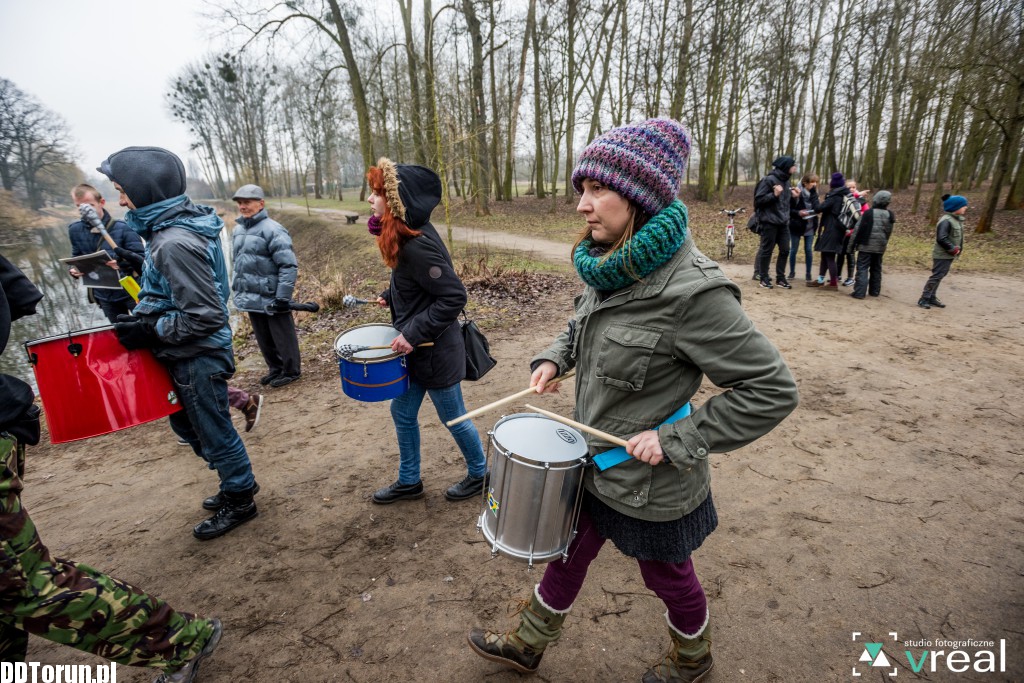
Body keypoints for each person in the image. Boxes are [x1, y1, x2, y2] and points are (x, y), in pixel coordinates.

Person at [466, 119, 799, 682]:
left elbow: (772, 390)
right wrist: (553, 358)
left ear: (639, 200)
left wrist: (675, 440)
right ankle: (528, 643)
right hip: (591, 461)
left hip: (651, 481)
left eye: (598, 191)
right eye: (582, 190)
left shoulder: (694, 292)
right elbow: (581, 322)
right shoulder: (611, 261)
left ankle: (694, 658)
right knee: (567, 551)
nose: (582, 206)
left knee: (668, 576)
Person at [0, 253, 222, 682]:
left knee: (22, 585)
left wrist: (145, 315)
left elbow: (203, 311)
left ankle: (178, 639)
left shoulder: (171, 242)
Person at [98, 146, 259, 540]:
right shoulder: (168, 232)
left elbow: (206, 315)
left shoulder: (172, 242)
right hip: (185, 351)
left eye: (123, 190)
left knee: (211, 429)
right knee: (188, 423)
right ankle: (235, 482)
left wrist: (150, 331)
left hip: (197, 354)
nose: (120, 200)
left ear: (145, 190)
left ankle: (241, 497)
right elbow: (178, 290)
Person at [365, 157, 488, 504]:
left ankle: (480, 473)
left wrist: (410, 333)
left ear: (395, 201)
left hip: (435, 351)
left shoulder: (416, 245)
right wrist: (390, 295)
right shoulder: (405, 235)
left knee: (454, 418)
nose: (370, 200)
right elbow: (419, 288)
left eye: (376, 194)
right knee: (402, 413)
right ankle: (409, 480)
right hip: (417, 350)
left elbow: (453, 296)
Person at [230, 184, 302, 388]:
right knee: (263, 337)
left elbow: (288, 265)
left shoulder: (273, 229)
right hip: (251, 295)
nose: (243, 206)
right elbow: (238, 264)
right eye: (240, 203)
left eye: (247, 202)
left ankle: (291, 370)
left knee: (282, 336)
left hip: (272, 295)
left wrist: (282, 296)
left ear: (261, 204)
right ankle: (275, 369)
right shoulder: (237, 230)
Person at [66, 184, 144, 323]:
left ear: (101, 202)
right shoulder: (74, 230)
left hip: (131, 291)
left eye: (90, 205)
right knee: (122, 333)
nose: (85, 210)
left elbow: (141, 259)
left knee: (146, 326)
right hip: (103, 295)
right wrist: (74, 270)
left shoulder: (124, 227)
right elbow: (76, 256)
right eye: (79, 206)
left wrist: (121, 263)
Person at [752, 155, 796, 289]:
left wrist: (795, 198)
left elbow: (787, 205)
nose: (795, 168)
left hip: (783, 222)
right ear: (786, 167)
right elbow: (758, 201)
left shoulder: (787, 182)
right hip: (769, 222)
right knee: (767, 250)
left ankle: (780, 279)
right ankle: (764, 278)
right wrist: (774, 195)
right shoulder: (768, 180)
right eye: (793, 165)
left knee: (785, 250)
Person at [918, 194, 967, 309]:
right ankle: (924, 298)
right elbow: (941, 238)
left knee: (940, 275)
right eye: (964, 206)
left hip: (948, 254)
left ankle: (931, 297)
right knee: (937, 276)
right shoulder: (946, 220)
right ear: (956, 207)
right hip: (942, 254)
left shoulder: (956, 220)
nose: (966, 208)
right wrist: (952, 249)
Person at [807, 172, 852, 289]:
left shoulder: (835, 197)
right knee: (825, 254)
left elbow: (818, 208)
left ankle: (833, 283)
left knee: (829, 256)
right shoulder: (843, 195)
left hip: (833, 229)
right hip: (837, 229)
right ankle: (821, 279)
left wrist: (813, 193)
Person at [849, 190, 894, 299]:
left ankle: (859, 292)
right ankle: (874, 291)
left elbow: (857, 230)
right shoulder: (890, 215)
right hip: (880, 247)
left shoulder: (868, 213)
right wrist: (883, 244)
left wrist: (850, 246)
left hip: (865, 246)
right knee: (876, 269)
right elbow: (888, 232)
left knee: (862, 268)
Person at [837, 180, 869, 286]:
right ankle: (838, 275)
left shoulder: (861, 200)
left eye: (853, 187)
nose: (851, 189)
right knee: (840, 253)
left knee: (849, 253)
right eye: (849, 187)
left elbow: (866, 213)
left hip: (853, 232)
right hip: (842, 231)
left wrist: (858, 214)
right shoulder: (843, 198)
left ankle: (850, 277)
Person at [789, 174, 819, 282]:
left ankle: (808, 274)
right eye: (812, 182)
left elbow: (817, 207)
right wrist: (799, 213)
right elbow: (790, 210)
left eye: (816, 182)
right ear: (805, 183)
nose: (814, 184)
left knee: (808, 250)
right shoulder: (796, 193)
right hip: (796, 225)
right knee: (793, 249)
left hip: (810, 225)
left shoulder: (815, 193)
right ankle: (791, 272)